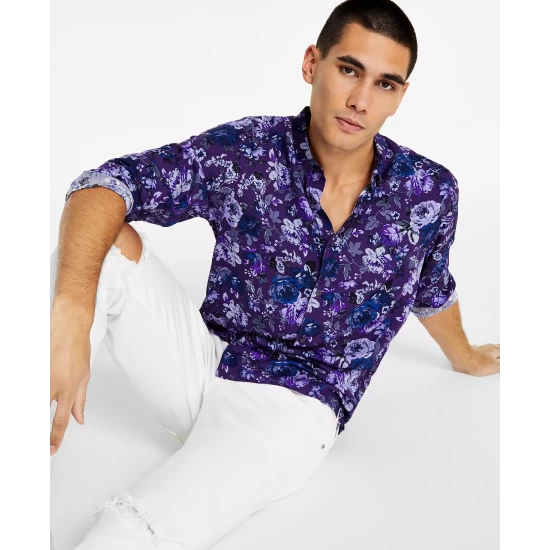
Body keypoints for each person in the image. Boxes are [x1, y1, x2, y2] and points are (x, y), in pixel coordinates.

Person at [50, 0, 500, 548]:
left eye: (384, 84)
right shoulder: (248, 152)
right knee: (100, 242)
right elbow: (102, 186)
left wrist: (466, 356)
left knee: (144, 527)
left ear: (400, 96)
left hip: (293, 410)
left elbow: (430, 288)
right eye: (349, 69)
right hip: (200, 360)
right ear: (312, 63)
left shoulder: (428, 192)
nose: (360, 101)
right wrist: (73, 309)